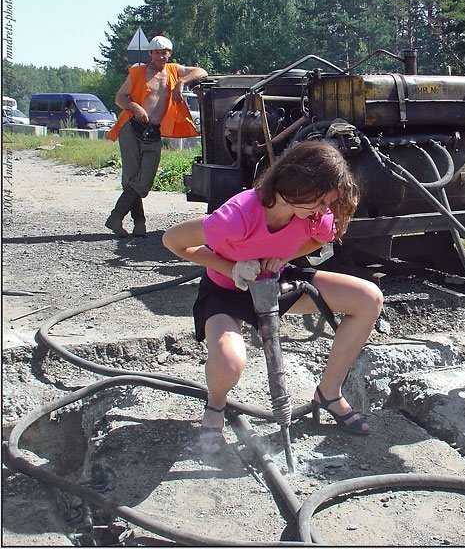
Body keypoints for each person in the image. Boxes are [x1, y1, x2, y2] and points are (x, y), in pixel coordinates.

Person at [162, 140, 384, 453]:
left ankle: (329, 393)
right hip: (228, 291)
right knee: (229, 364)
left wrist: (283, 256)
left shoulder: (312, 215)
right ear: (299, 184)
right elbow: (173, 241)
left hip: (275, 282)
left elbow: (320, 239)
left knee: (368, 298)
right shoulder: (237, 216)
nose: (325, 210)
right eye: (322, 200)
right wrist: (232, 268)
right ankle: (215, 405)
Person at [105, 35, 207, 237]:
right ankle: (139, 223)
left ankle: (116, 216)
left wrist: (181, 82)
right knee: (132, 177)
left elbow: (201, 71)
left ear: (170, 54)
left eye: (165, 53)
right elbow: (119, 97)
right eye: (157, 53)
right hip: (131, 127)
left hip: (153, 131)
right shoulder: (138, 72)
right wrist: (135, 107)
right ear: (150, 53)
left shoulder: (173, 70)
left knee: (145, 180)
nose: (161, 56)